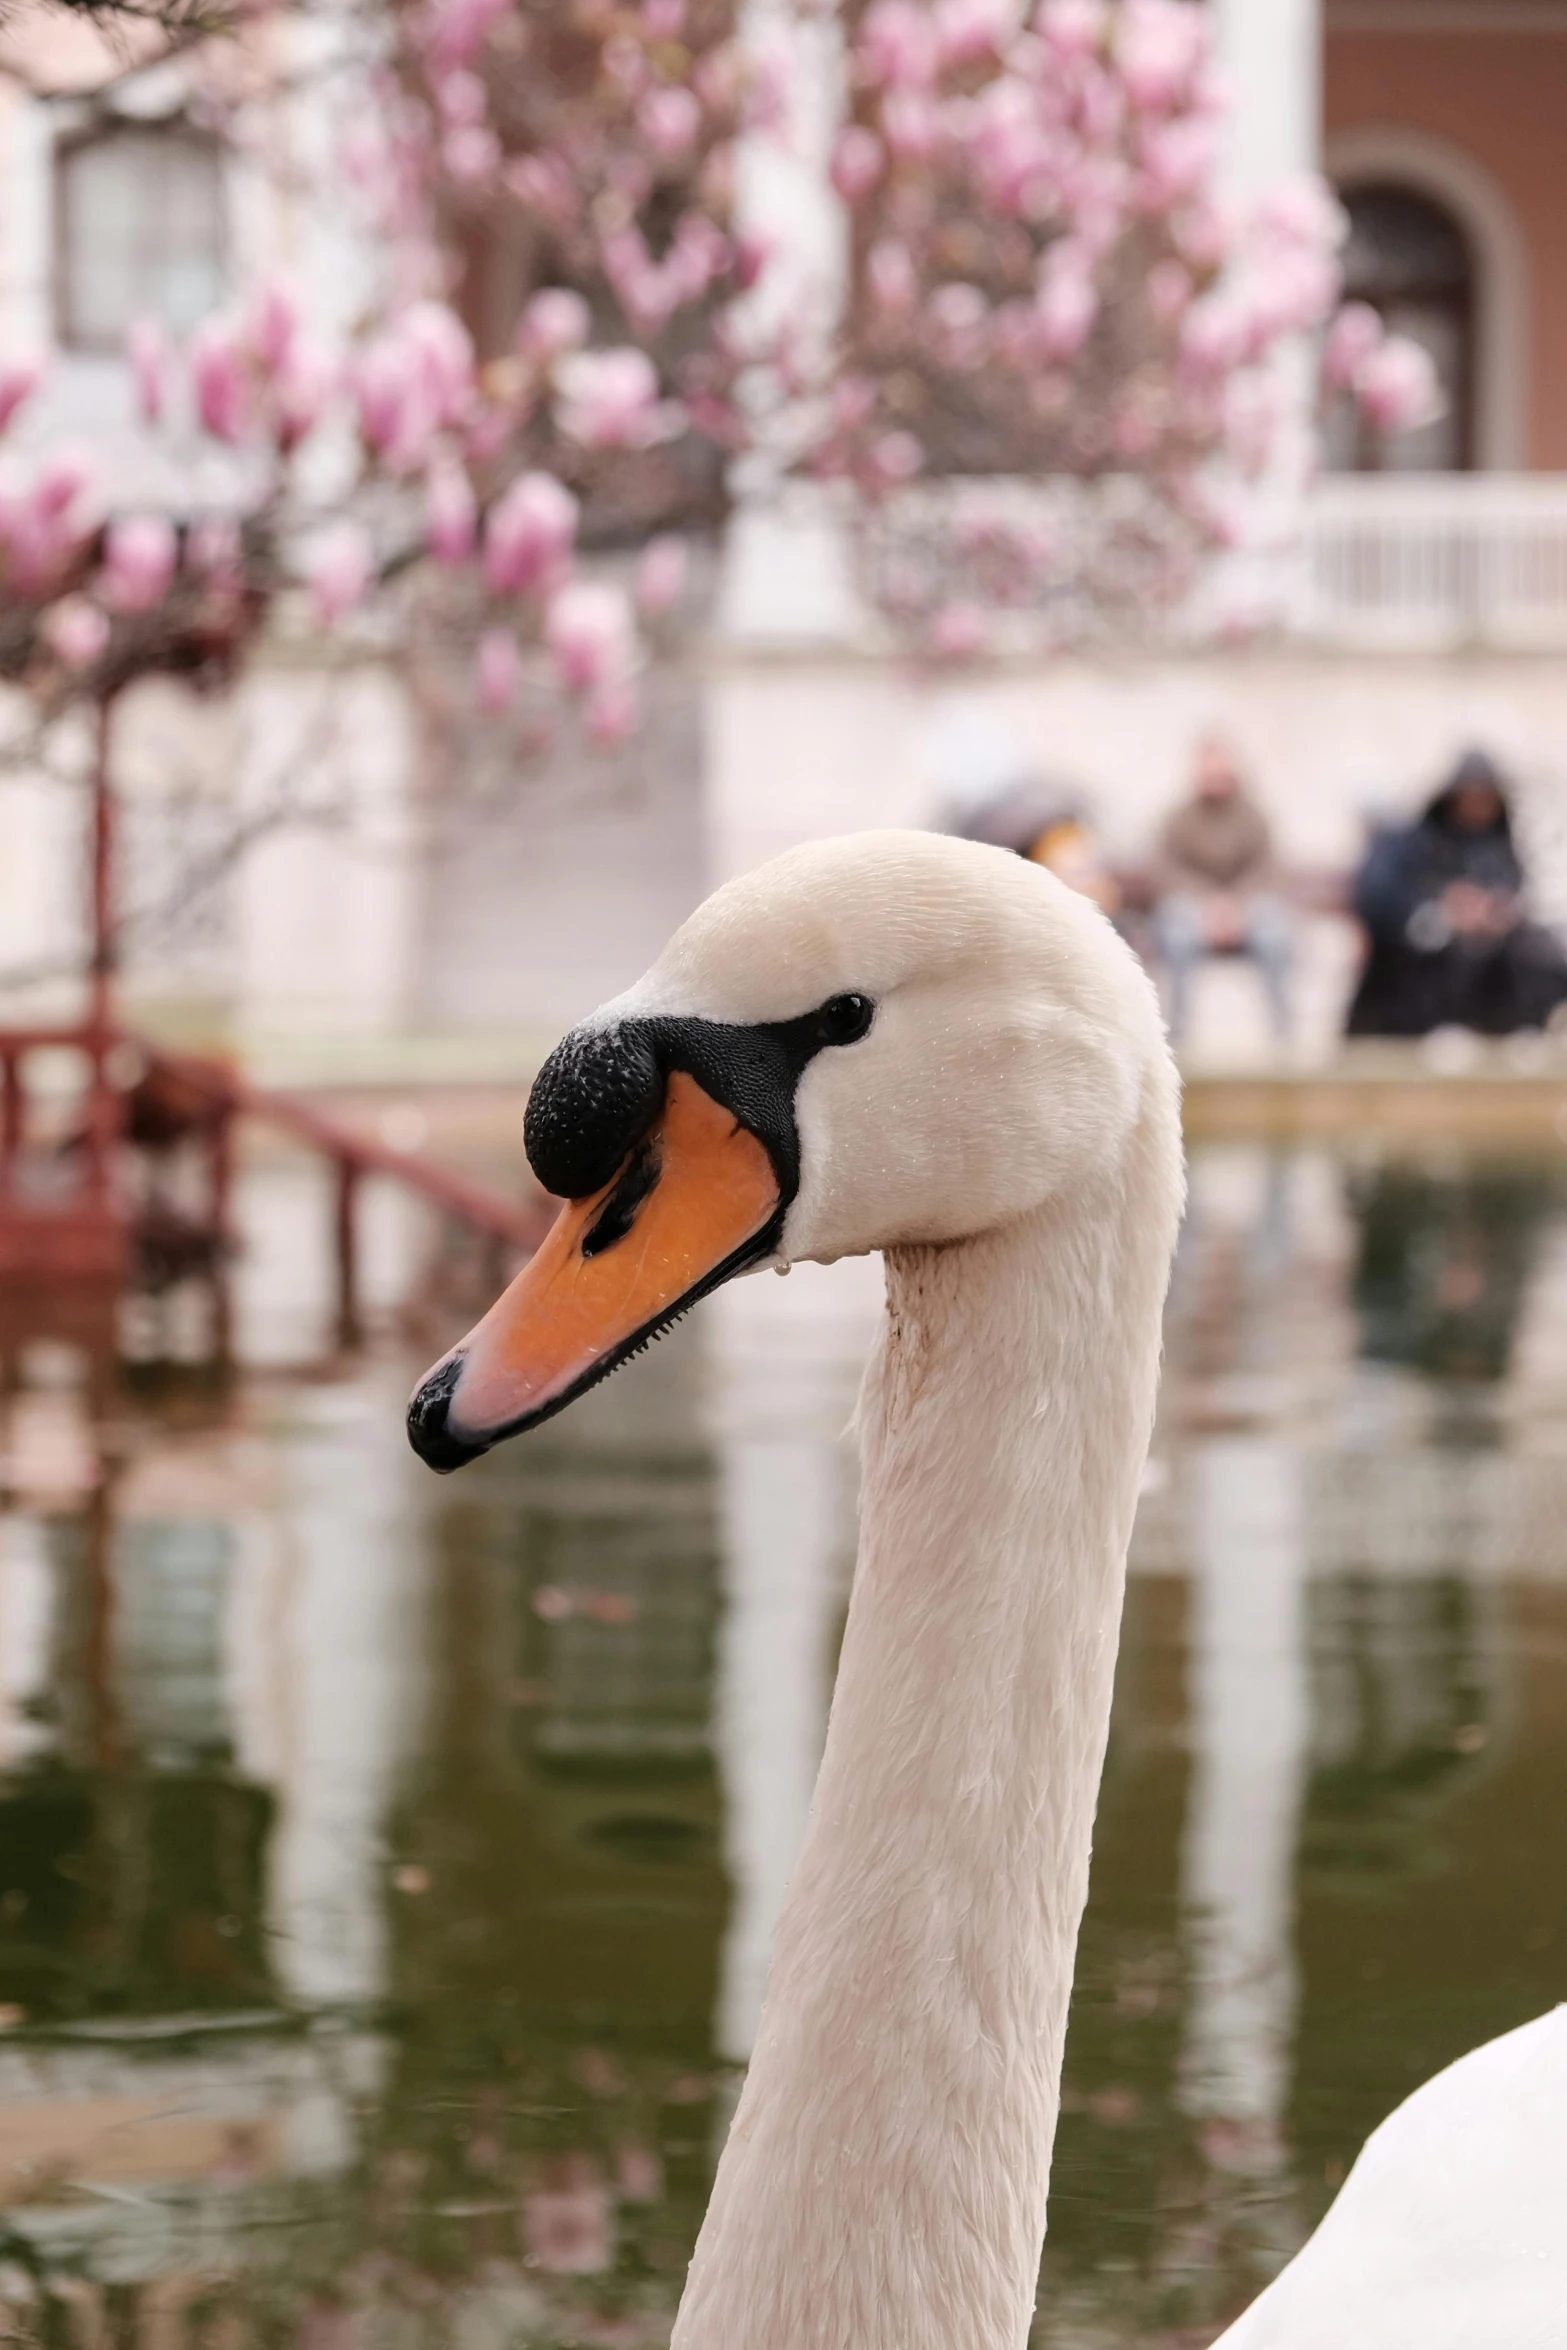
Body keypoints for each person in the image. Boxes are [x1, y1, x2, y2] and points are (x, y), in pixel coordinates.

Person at [1345, 749, 1567, 1037]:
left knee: (1536, 954)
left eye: (1485, 798)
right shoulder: (1417, 841)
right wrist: (1442, 910)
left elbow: (1513, 891)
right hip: (1425, 959)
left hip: (1493, 956)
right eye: (1471, 797)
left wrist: (1494, 911)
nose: (1477, 807)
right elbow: (1382, 901)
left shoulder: (1499, 843)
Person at [1152, 735, 1293, 1045]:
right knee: (1176, 933)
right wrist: (1209, 904)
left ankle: (1284, 1036)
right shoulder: (1179, 819)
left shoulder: (1254, 817)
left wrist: (1235, 906)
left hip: (1247, 911)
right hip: (1194, 911)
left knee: (1275, 933)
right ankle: (1177, 1037)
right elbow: (1166, 870)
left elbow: (1267, 869)